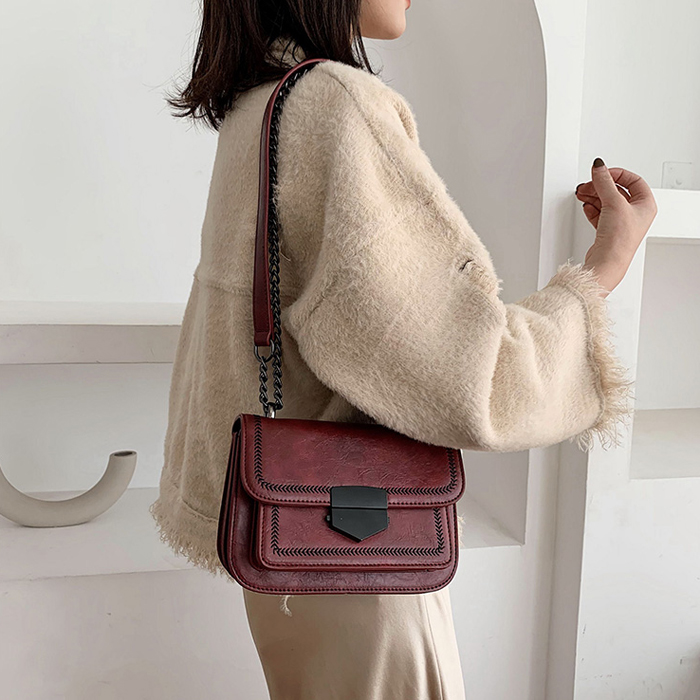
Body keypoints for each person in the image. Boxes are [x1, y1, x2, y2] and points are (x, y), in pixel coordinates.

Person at [149, 1, 658, 697]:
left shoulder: (261, 104)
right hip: (359, 553)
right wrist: (606, 264)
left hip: (288, 540)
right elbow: (466, 370)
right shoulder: (335, 106)